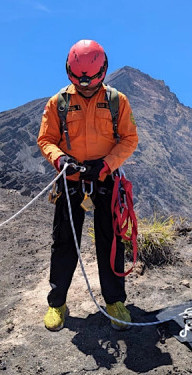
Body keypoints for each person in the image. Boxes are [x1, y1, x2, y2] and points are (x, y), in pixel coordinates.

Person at [37, 39, 138, 332]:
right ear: (70, 73)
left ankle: (114, 301)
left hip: (106, 180)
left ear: (103, 72)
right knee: (64, 243)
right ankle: (57, 303)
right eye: (80, 81)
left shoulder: (118, 101)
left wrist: (106, 164)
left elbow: (129, 139)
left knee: (112, 242)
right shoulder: (58, 103)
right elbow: (46, 140)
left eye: (92, 81)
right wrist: (60, 161)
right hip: (70, 183)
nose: (86, 86)